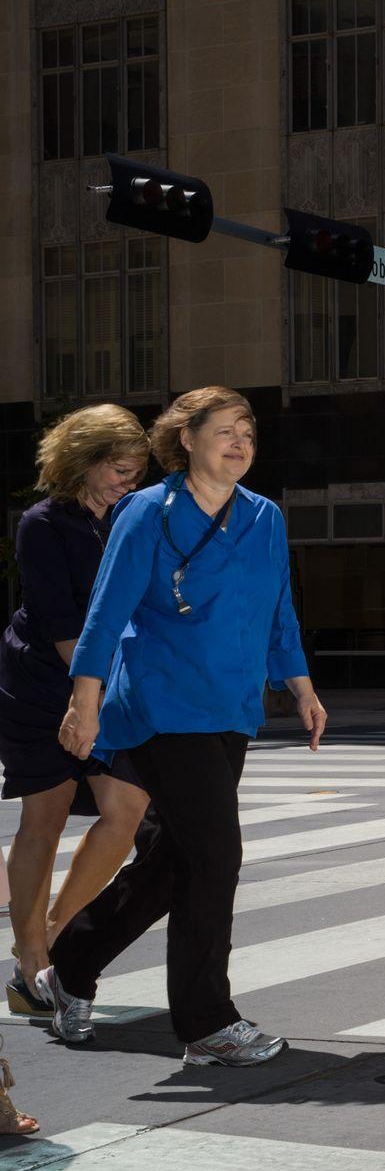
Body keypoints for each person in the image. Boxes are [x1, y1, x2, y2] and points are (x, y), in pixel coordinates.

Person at [39, 387, 326, 1067]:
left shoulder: (264, 517)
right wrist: (85, 700)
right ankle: (206, 1020)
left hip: (231, 707)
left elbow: (278, 606)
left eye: (247, 433)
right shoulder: (146, 512)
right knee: (216, 856)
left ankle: (70, 962)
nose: (239, 443)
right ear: (186, 438)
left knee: (176, 859)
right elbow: (108, 610)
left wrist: (302, 685)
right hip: (161, 704)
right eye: (223, 430)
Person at [1, 406, 152, 1016]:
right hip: (41, 682)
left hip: (104, 683)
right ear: (83, 461)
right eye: (119, 469)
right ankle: (31, 960)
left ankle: (58, 936)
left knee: (127, 808)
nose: (129, 482)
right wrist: (95, 691)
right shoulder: (42, 524)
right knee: (47, 814)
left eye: (137, 472)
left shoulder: (130, 520)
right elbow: (64, 626)